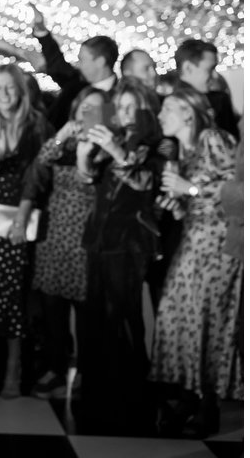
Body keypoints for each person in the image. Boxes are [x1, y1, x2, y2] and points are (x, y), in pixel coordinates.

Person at [149, 87, 241, 436]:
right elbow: (199, 197)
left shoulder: (212, 138)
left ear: (187, 112)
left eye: (167, 109)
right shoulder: (183, 151)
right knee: (178, 316)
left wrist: (189, 190)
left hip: (217, 247)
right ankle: (187, 395)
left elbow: (238, 188)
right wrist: (181, 204)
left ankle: (208, 406)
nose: (160, 116)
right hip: (192, 241)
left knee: (207, 321)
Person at [77, 78, 163, 434]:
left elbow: (143, 182)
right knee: (98, 318)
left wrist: (114, 147)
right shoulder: (115, 138)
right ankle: (101, 394)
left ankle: (134, 397)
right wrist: (85, 155)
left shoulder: (157, 144)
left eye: (130, 107)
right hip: (98, 239)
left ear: (145, 109)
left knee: (126, 318)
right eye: (120, 107)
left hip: (130, 243)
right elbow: (89, 178)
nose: (124, 114)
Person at [0, 63, 53, 399]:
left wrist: (22, 214)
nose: (4, 94)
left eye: (10, 88)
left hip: (20, 210)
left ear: (21, 91)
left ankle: (14, 372)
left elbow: (39, 174)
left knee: (14, 292)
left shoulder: (36, 124)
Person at [22, 87, 105, 399]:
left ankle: (86, 369)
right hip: (55, 232)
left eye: (95, 108)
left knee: (87, 312)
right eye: (84, 107)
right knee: (52, 308)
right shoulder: (64, 138)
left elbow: (93, 177)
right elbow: (41, 161)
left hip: (86, 234)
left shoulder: (106, 142)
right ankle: (55, 369)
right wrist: (60, 136)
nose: (87, 113)